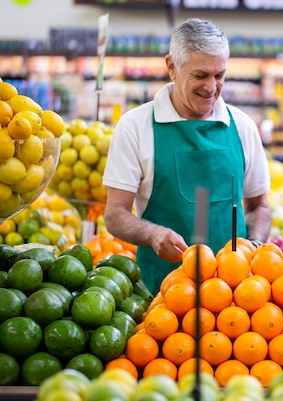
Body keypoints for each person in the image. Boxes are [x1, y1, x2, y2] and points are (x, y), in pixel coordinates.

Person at [102, 18, 272, 294]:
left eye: (219, 76)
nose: (211, 87)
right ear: (172, 67)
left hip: (237, 300)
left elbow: (259, 206)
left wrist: (254, 244)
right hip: (161, 297)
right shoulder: (136, 126)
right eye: (200, 75)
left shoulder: (242, 126)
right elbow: (115, 214)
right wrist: (153, 234)